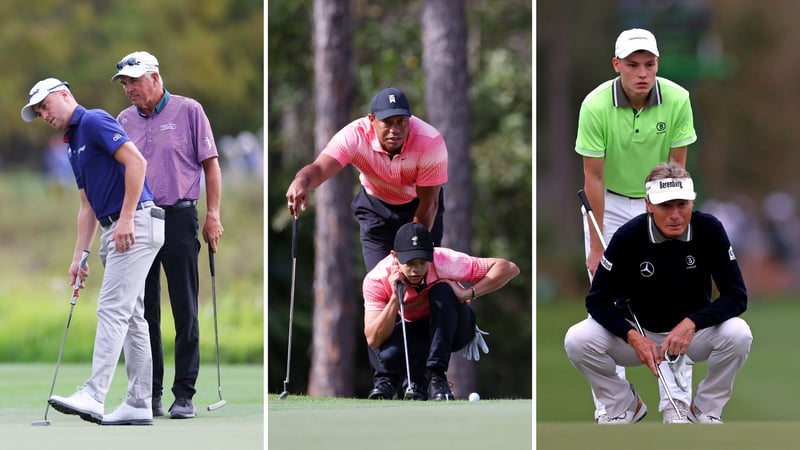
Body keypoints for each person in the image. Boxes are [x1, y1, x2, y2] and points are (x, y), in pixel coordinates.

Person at [285, 87, 448, 397]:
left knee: (421, 290)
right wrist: (301, 181)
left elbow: (429, 206)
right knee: (381, 285)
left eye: (402, 121)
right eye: (388, 122)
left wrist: (408, 250)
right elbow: (320, 168)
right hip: (375, 212)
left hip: (419, 212)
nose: (395, 129)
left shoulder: (429, 142)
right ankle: (385, 379)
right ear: (372, 120)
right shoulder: (354, 136)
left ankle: (427, 378)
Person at [21, 77, 165, 425]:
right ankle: (138, 402)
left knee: (112, 309)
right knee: (132, 318)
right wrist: (78, 257)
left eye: (46, 105)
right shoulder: (72, 142)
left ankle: (94, 394)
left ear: (66, 95)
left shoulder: (94, 120)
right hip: (113, 226)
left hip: (134, 223)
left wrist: (128, 218)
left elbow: (137, 163)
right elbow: (86, 206)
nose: (44, 114)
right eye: (39, 111)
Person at [564, 161, 752, 424]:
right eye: (665, 206)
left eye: (682, 204)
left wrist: (692, 323)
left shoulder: (710, 230)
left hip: (693, 335)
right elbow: (597, 301)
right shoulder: (628, 236)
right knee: (578, 339)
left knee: (739, 334)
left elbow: (736, 296)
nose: (675, 214)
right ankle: (623, 404)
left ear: (692, 203)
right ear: (649, 204)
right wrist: (632, 337)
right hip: (640, 333)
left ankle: (705, 408)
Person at [575, 28, 698, 423]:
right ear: (617, 66)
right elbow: (592, 177)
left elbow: (676, 170)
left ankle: (675, 401)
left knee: (674, 292)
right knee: (606, 300)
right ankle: (617, 404)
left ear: (657, 64)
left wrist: (670, 215)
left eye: (649, 64)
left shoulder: (678, 99)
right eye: (633, 65)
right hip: (607, 203)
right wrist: (597, 245)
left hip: (658, 199)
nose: (642, 73)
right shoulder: (594, 105)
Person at [111, 51, 224, 419]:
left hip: (179, 218)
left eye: (135, 81)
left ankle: (184, 394)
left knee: (184, 309)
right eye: (125, 83)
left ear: (155, 78)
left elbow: (211, 165)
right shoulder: (123, 119)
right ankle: (152, 392)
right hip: (140, 220)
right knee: (144, 313)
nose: (129, 89)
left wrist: (212, 215)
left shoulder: (189, 110)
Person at [362, 222, 519, 400]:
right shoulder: (376, 279)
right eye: (410, 263)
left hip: (456, 327)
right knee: (389, 354)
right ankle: (418, 382)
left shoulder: (445, 261)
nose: (416, 269)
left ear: (431, 254)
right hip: (418, 330)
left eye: (422, 262)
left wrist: (466, 293)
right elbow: (374, 339)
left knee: (443, 291)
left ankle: (437, 376)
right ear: (394, 256)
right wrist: (395, 299)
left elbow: (509, 268)